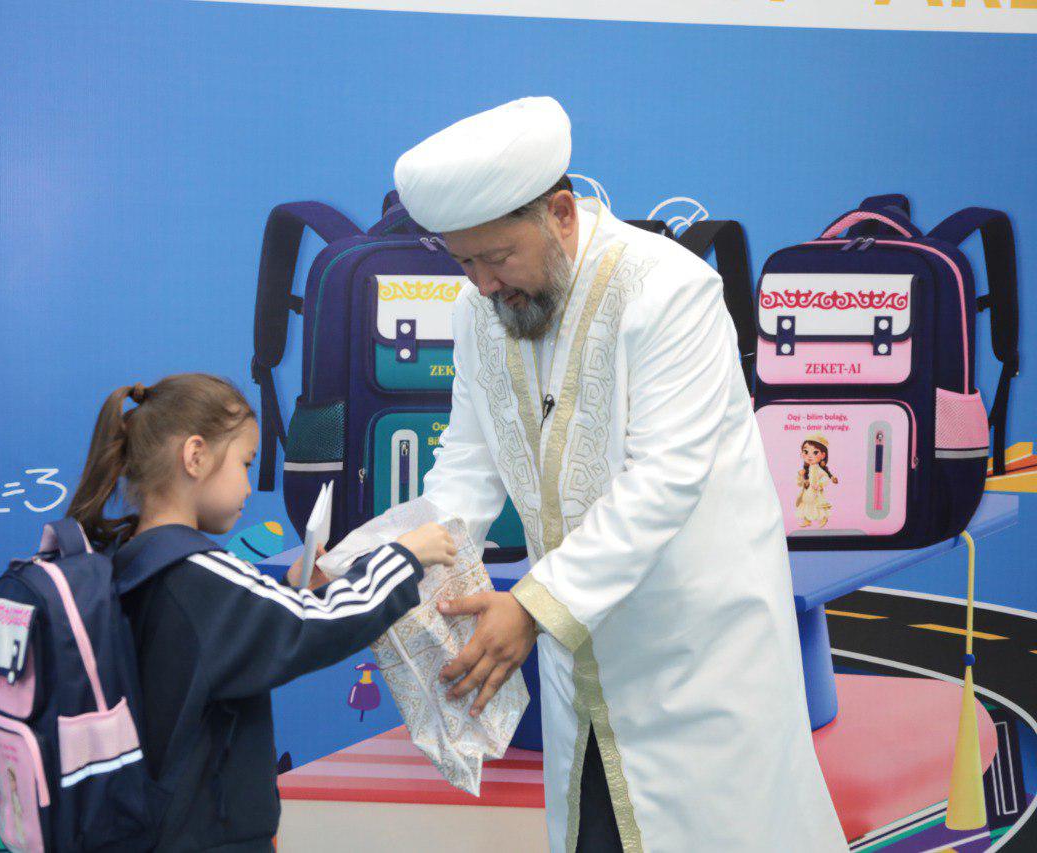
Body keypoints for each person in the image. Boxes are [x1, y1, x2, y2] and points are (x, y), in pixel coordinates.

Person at [393, 97, 847, 851]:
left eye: (495, 257)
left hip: (696, 658)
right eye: (463, 262)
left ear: (560, 213)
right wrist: (392, 563)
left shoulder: (668, 291)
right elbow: (467, 464)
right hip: (579, 659)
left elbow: (665, 478)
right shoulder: (480, 311)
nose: (481, 284)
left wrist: (532, 606)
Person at [65, 373, 455, 852]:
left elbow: (225, 632)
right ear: (195, 456)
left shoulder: (130, 561)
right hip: (206, 836)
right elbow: (312, 626)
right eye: (245, 464)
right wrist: (404, 558)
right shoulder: (198, 574)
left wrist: (288, 589)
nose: (250, 487)